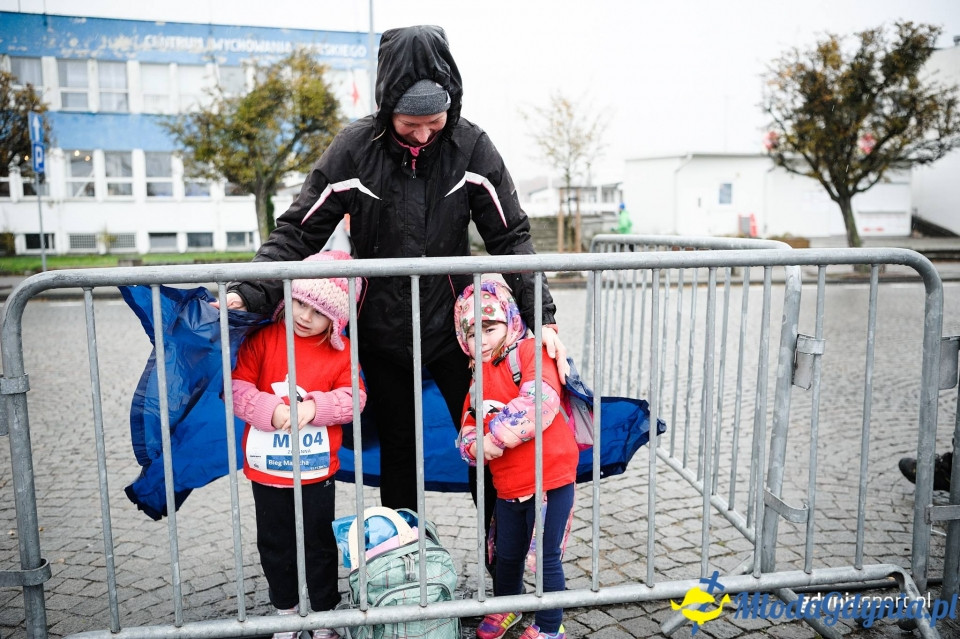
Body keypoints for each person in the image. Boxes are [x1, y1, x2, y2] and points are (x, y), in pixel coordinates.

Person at [220, 25, 567, 524]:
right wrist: (250, 292)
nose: (425, 134)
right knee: (399, 451)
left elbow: (511, 237)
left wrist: (542, 316)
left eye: (435, 121)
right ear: (387, 108)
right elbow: (298, 231)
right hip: (381, 335)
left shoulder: (471, 148)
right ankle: (404, 559)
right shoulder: (353, 149)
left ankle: (503, 562)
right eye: (411, 124)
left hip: (458, 335)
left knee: (490, 439)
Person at [231, 250, 366, 639]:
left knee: (319, 544)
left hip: (316, 471)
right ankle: (286, 610)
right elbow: (236, 388)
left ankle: (325, 613)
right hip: (268, 471)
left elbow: (355, 397)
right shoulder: (263, 340)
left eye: (317, 311)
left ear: (336, 318)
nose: (304, 316)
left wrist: (316, 407)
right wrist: (268, 409)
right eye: (299, 302)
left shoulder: (341, 351)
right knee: (275, 543)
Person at [454, 280, 578, 639]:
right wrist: (475, 445)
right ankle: (506, 605)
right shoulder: (477, 377)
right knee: (505, 555)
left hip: (550, 478)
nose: (484, 340)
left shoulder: (529, 352)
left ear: (510, 320)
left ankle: (551, 628)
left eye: (490, 328)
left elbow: (541, 402)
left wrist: (495, 437)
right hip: (508, 484)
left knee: (544, 558)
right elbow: (467, 423)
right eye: (474, 334)